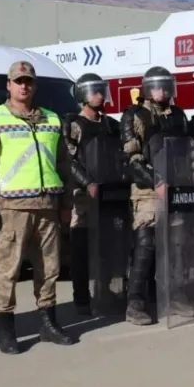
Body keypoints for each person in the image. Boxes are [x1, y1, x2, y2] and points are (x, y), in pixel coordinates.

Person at [0, 61, 75, 354]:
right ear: (9, 85)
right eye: (18, 81)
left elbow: (64, 166)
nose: (24, 86)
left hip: (47, 206)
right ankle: (6, 330)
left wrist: (66, 204)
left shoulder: (52, 119)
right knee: (8, 270)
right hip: (11, 208)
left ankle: (48, 324)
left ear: (35, 85)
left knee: (49, 268)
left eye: (28, 81)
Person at [119, 66, 191, 325]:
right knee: (146, 245)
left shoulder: (179, 116)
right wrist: (156, 181)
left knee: (177, 245)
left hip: (177, 188)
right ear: (148, 89)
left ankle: (174, 296)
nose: (161, 92)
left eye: (165, 86)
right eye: (156, 87)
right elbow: (131, 158)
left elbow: (187, 151)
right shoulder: (135, 116)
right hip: (148, 190)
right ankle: (136, 302)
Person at [63, 73, 119, 316]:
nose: (99, 95)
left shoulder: (109, 124)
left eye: (101, 90)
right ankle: (82, 299)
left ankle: (104, 292)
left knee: (107, 245)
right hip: (83, 196)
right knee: (81, 248)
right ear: (82, 95)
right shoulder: (74, 124)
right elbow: (69, 160)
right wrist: (87, 183)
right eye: (93, 91)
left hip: (109, 193)